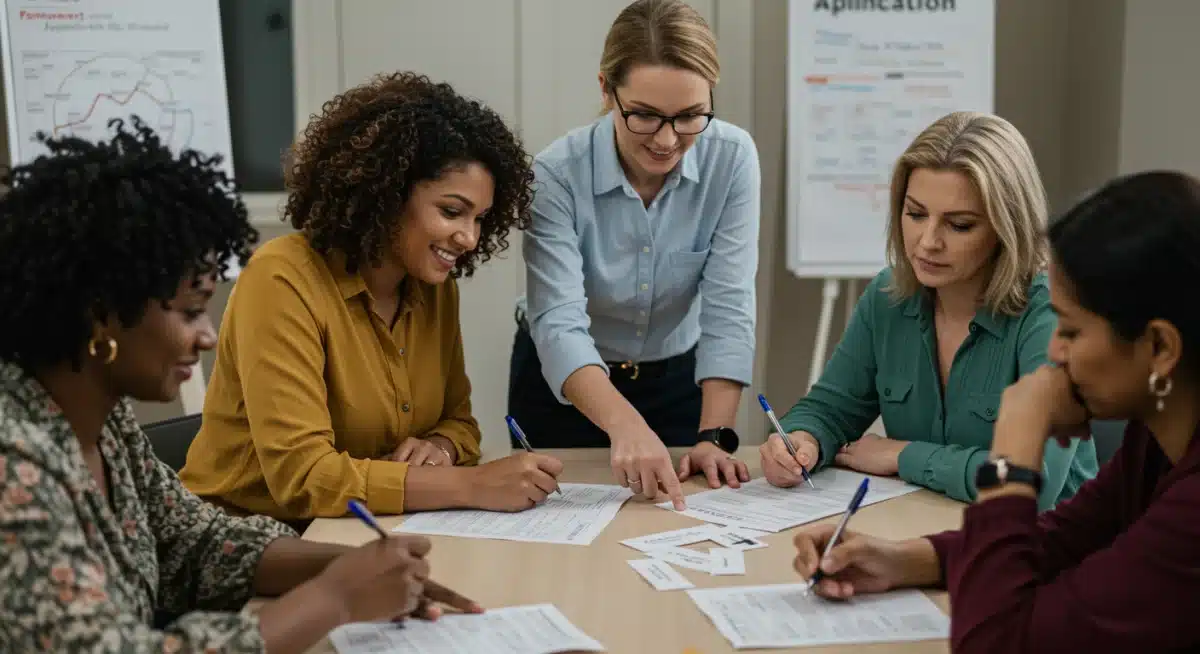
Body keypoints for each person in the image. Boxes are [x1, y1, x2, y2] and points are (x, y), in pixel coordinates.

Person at [0, 118, 479, 652]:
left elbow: (197, 543)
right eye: (189, 312)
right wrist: (336, 598)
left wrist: (354, 565)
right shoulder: (14, 464)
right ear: (101, 317)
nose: (207, 338)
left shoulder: (103, 424)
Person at [792, 170, 1200, 653]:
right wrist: (905, 560)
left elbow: (994, 644)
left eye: (1070, 331)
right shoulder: (1157, 438)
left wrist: (1014, 444)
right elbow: (1064, 539)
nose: (1056, 352)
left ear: (1158, 347)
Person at [179, 72, 563, 525]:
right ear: (387, 193)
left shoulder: (433, 287)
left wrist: (438, 449)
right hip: (249, 535)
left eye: (480, 218)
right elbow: (303, 477)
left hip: (368, 525)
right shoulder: (281, 278)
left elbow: (461, 424)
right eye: (452, 211)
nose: (469, 237)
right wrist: (470, 484)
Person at [760, 112, 1098, 509]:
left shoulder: (1052, 313)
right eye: (916, 214)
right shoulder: (887, 297)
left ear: (1006, 228)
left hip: (1048, 548)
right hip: (930, 531)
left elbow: (1031, 479)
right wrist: (803, 440)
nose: (928, 242)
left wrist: (902, 455)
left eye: (959, 225)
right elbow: (832, 408)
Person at [509, 0, 760, 510]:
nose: (668, 141)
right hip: (567, 388)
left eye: (690, 116)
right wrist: (624, 424)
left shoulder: (731, 158)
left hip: (677, 382)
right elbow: (558, 323)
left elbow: (728, 306)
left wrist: (715, 434)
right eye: (644, 115)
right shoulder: (556, 174)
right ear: (606, 90)